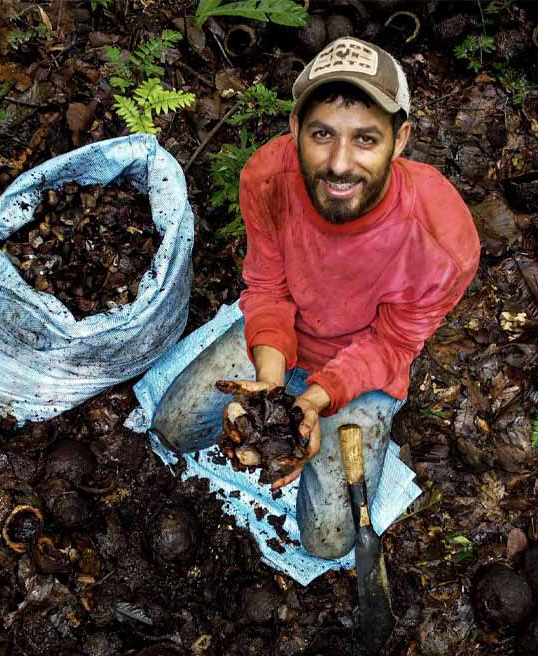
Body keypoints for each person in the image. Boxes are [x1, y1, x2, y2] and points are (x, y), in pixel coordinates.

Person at [151, 37, 480, 559]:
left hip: (363, 370)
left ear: (401, 140)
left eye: (366, 139)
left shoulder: (441, 239)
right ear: (295, 130)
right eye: (322, 134)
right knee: (172, 428)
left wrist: (315, 399)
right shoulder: (268, 178)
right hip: (284, 341)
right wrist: (271, 386)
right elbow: (267, 288)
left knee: (329, 542)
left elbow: (394, 344)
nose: (340, 164)